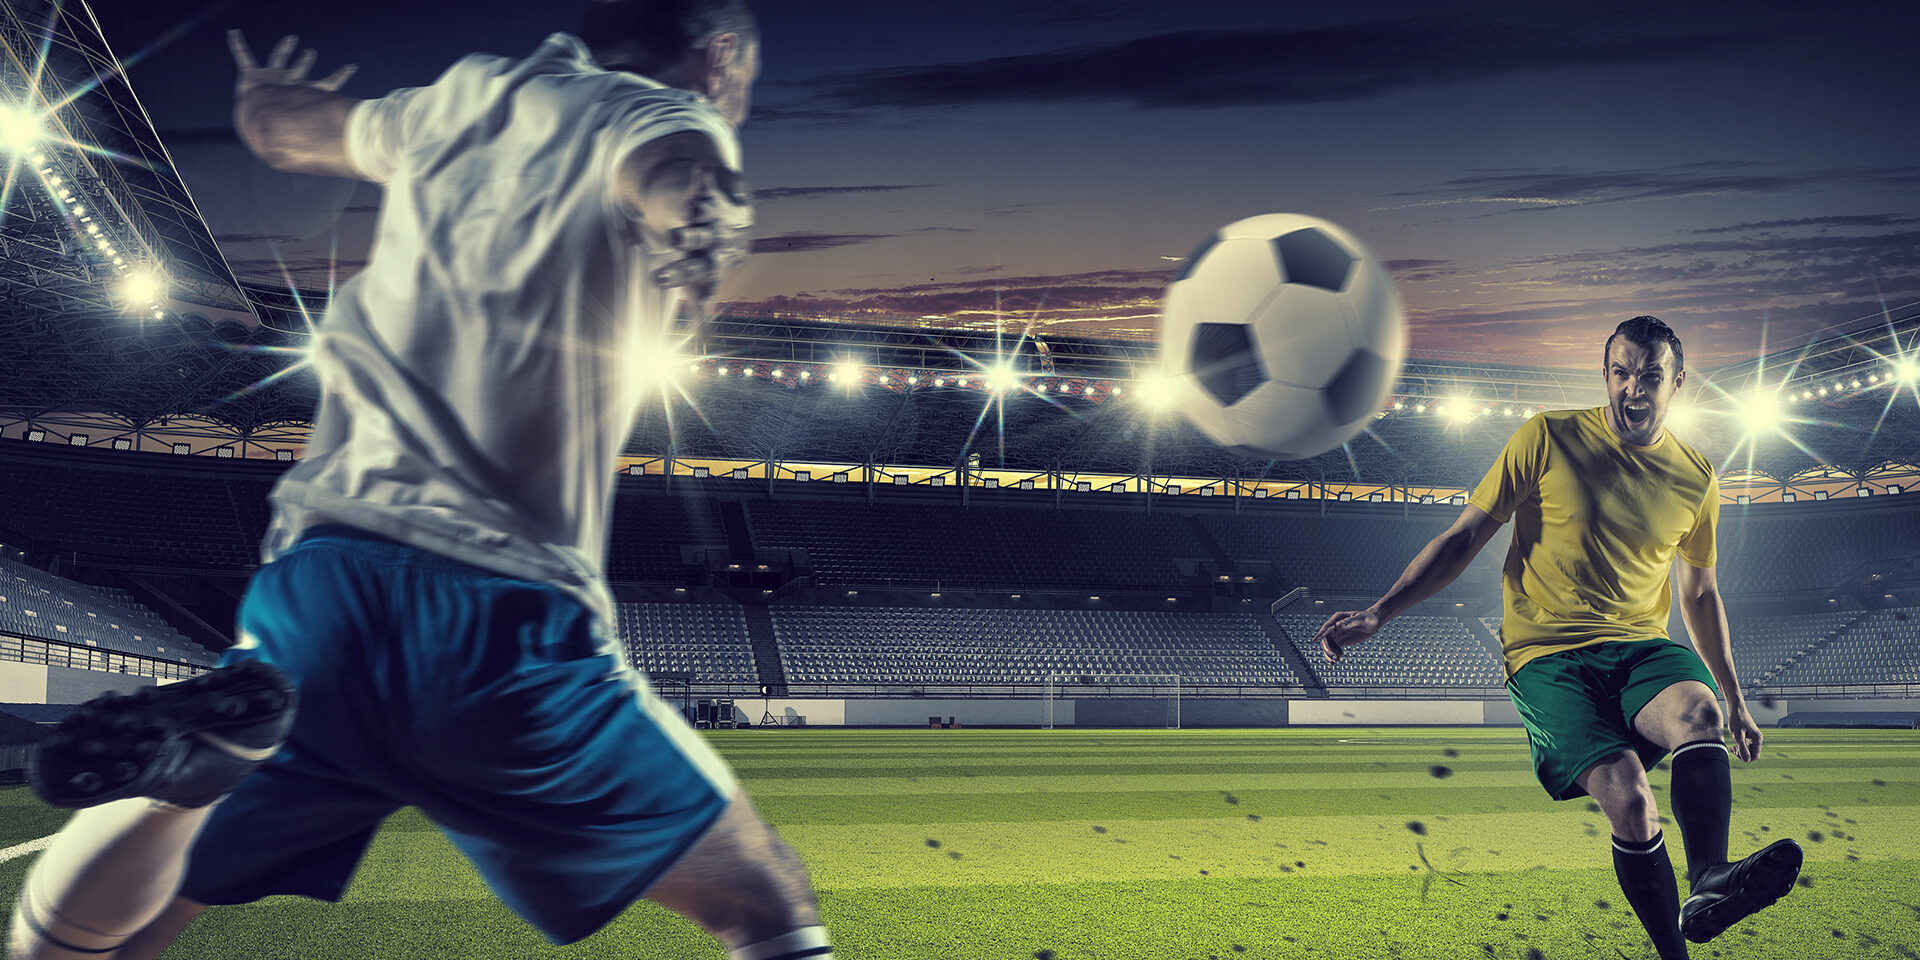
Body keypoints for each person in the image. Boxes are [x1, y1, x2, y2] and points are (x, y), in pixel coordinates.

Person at [10, 3, 834, 959]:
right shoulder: (653, 115)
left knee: (142, 915)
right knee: (761, 899)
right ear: (722, 57)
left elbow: (290, 133)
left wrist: (270, 99)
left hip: (319, 579)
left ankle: (194, 781)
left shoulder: (460, 100)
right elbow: (680, 175)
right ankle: (205, 774)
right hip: (498, 609)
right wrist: (696, 245)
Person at [1312, 316, 1800, 960]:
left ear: (1677, 383)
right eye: (1621, 372)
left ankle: (1709, 879)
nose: (1633, 388)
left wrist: (1736, 700)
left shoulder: (1696, 477)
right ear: (1606, 376)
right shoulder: (1546, 437)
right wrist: (1380, 613)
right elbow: (1462, 538)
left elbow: (1701, 594)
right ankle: (1675, 955)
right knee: (1629, 799)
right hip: (1548, 656)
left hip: (1640, 648)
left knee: (1700, 712)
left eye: (1650, 375)